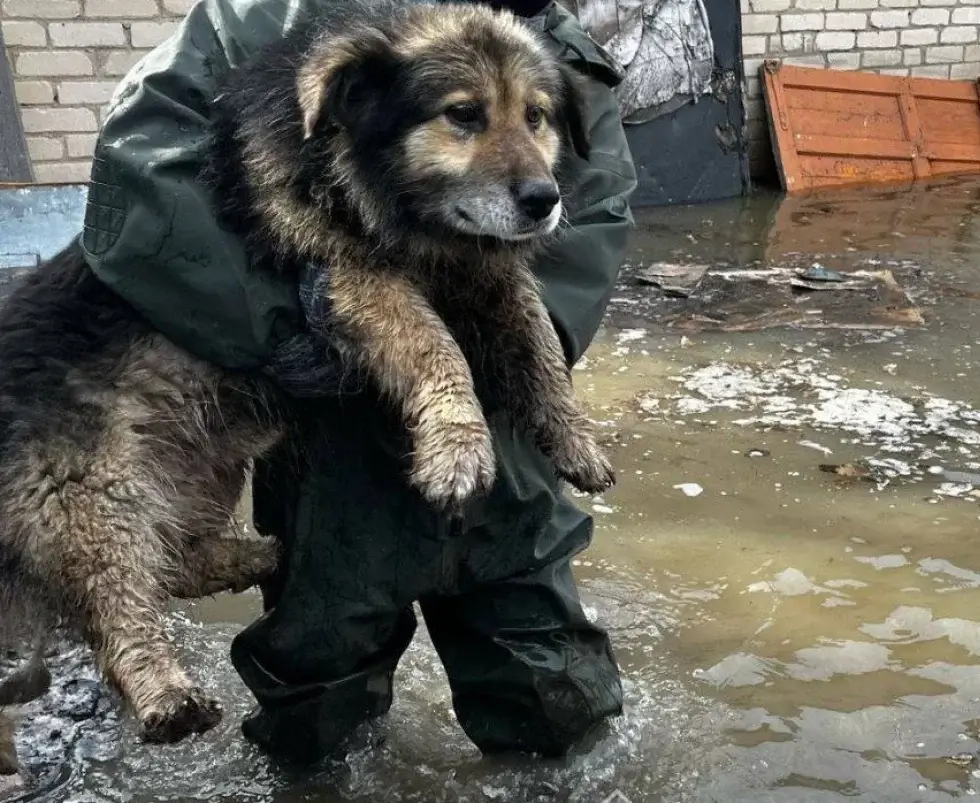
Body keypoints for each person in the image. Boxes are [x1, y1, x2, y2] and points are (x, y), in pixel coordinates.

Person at [79, 0, 638, 765]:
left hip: (502, 445)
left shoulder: (559, 52)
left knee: (554, 699)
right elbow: (140, 186)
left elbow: (594, 219)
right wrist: (281, 323)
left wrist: (511, 363)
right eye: (468, 116)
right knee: (317, 707)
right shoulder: (270, 16)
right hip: (323, 442)